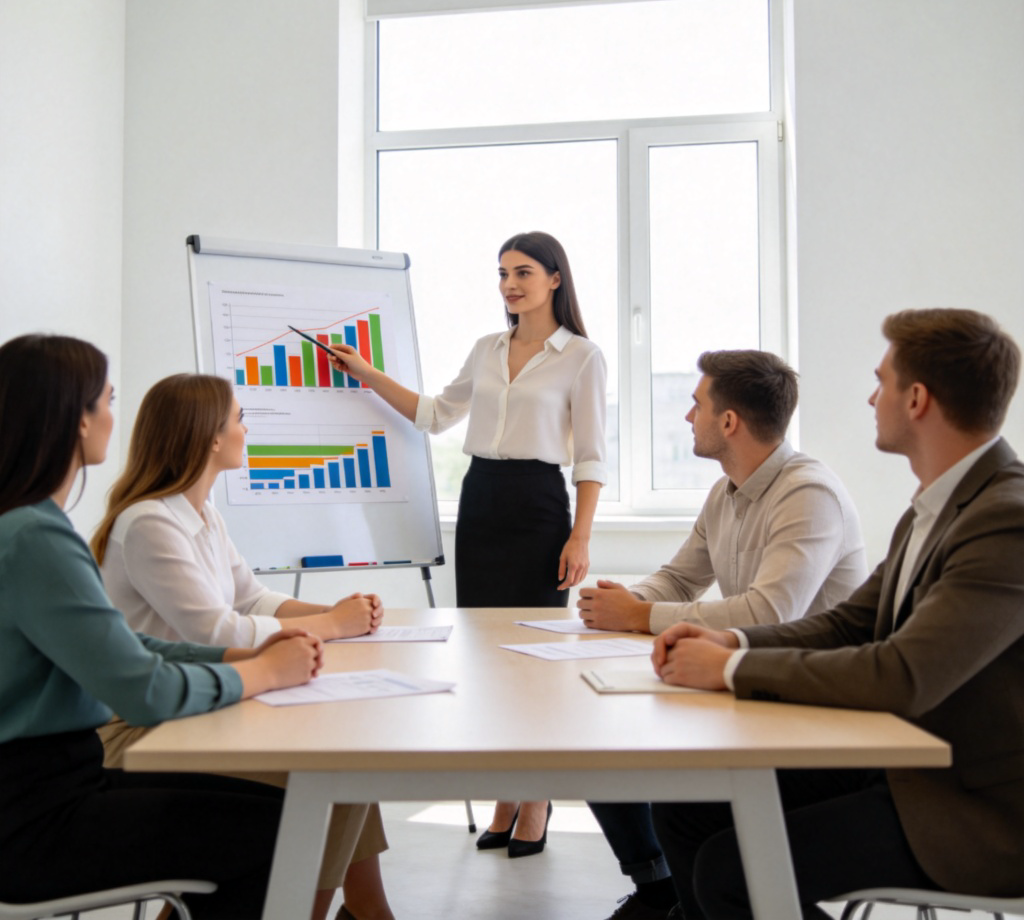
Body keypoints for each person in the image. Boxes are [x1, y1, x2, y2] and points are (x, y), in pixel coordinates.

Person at [649, 308, 1024, 920]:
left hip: (971, 805)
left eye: (882, 382)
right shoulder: (934, 507)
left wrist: (732, 670)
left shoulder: (1007, 517)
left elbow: (902, 674)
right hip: (901, 764)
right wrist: (732, 641)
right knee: (685, 806)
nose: (872, 398)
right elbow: (850, 623)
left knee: (730, 872)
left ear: (917, 400)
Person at [0, 333, 323, 917]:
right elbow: (144, 691)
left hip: (50, 787)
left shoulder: (28, 525)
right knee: (279, 833)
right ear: (78, 419)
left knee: (287, 814)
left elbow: (122, 645)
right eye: (107, 401)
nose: (113, 417)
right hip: (33, 816)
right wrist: (268, 672)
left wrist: (233, 659)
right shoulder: (36, 537)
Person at [329, 230, 607, 857]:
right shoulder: (487, 349)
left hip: (539, 506)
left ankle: (536, 799)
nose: (510, 285)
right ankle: (506, 795)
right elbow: (434, 414)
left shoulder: (582, 356)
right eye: (502, 274)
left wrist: (581, 535)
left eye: (523, 272)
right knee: (487, 657)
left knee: (535, 660)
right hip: (481, 501)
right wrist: (366, 374)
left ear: (555, 278)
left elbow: (591, 457)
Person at [575, 349, 868, 920]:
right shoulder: (725, 491)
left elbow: (768, 612)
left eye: (697, 404)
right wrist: (625, 600)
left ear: (729, 421)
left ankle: (692, 905)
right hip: (748, 688)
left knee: (680, 798)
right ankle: (662, 892)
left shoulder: (809, 495)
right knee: (596, 740)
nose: (688, 417)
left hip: (812, 709)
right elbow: (680, 576)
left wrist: (638, 616)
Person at [91, 372, 394, 920]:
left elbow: (251, 598)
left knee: (348, 756)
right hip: (143, 726)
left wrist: (334, 612)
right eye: (239, 418)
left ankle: (367, 909)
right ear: (210, 436)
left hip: (197, 702)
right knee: (331, 771)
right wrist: (333, 625)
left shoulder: (201, 512)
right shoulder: (149, 524)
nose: (246, 430)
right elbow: (217, 632)